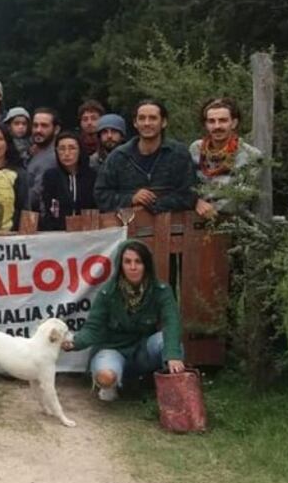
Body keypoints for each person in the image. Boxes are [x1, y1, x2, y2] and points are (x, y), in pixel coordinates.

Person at [63, 240, 184, 401]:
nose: (132, 267)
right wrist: (74, 343)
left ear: (146, 265)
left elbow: (171, 322)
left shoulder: (161, 291)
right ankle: (111, 385)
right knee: (105, 376)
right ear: (121, 265)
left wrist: (172, 354)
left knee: (169, 343)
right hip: (111, 349)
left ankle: (170, 392)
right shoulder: (108, 292)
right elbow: (93, 328)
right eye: (127, 262)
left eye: (138, 262)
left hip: (142, 351)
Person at [95, 100, 197, 213]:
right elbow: (101, 195)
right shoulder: (118, 157)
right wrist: (131, 199)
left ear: (163, 122)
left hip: (174, 226)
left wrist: (153, 204)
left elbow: (190, 195)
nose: (147, 123)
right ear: (135, 123)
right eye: (142, 118)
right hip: (129, 227)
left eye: (153, 118)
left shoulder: (179, 154)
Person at [189, 98, 263, 218]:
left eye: (223, 120)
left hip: (234, 223)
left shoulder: (251, 155)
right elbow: (186, 184)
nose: (217, 126)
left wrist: (210, 208)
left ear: (233, 123)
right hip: (194, 219)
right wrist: (195, 202)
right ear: (206, 125)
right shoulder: (195, 149)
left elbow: (240, 199)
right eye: (211, 121)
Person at [38, 131, 98, 231]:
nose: (66, 153)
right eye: (62, 149)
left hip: (87, 231)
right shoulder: (50, 176)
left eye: (72, 148)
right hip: (58, 233)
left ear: (80, 150)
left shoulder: (92, 176)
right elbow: (48, 209)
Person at [25, 108, 62, 209]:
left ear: (56, 129)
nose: (38, 130)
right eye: (35, 125)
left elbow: (36, 195)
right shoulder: (32, 152)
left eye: (44, 126)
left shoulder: (53, 158)